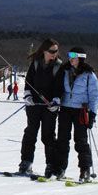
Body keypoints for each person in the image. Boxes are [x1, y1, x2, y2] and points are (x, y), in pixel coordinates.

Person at [18, 38, 63, 178]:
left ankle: (51, 165)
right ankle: (26, 162)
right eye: (52, 51)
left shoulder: (58, 66)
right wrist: (27, 96)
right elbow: (28, 82)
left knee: (48, 136)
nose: (54, 54)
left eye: (56, 51)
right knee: (30, 133)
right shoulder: (36, 63)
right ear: (44, 51)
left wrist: (56, 100)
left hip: (50, 107)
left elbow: (60, 86)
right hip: (34, 106)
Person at [56, 47, 98, 182]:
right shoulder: (65, 70)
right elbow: (58, 87)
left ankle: (85, 170)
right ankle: (60, 168)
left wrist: (92, 113)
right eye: (69, 56)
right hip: (65, 108)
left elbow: (94, 95)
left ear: (80, 58)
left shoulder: (89, 75)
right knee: (62, 139)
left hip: (80, 110)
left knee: (80, 141)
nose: (70, 59)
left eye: (73, 57)